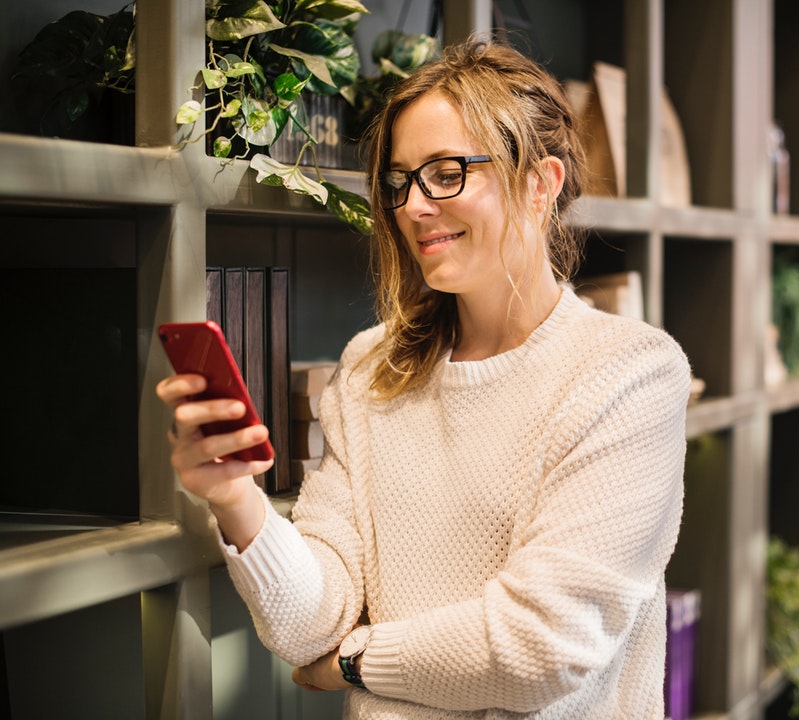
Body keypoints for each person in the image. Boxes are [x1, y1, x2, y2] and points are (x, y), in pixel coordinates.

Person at [157, 39, 691, 718]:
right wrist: (236, 499)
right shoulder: (370, 369)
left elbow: (539, 648)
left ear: (540, 183)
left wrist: (353, 663)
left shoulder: (630, 374)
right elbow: (308, 622)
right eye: (402, 180)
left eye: (446, 172)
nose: (413, 205)